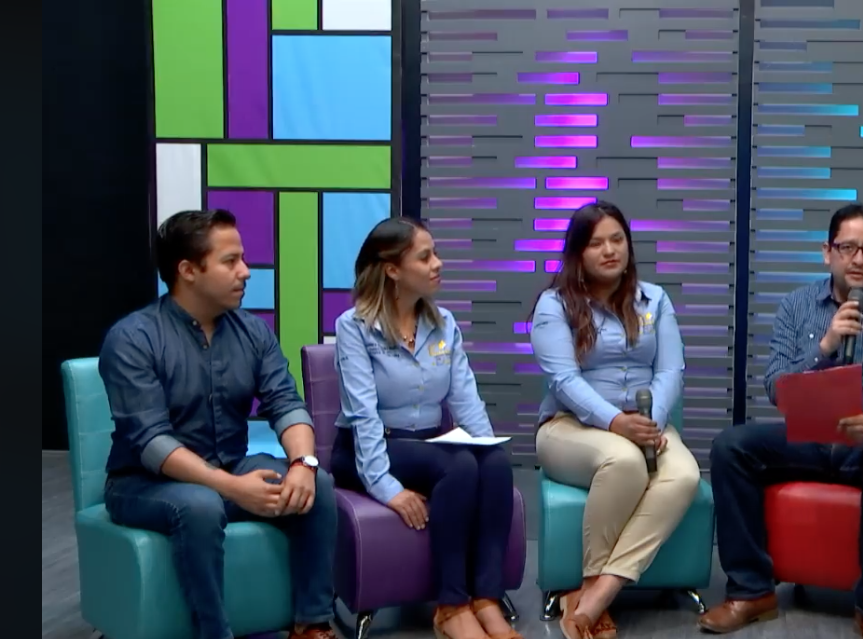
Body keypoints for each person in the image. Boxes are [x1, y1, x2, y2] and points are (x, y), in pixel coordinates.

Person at [702, 203, 863, 639]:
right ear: (827, 252)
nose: (858, 259)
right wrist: (826, 345)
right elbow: (776, 386)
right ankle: (751, 591)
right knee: (730, 447)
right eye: (848, 247)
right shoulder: (796, 306)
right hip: (809, 437)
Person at [98, 209, 338, 639]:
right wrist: (231, 488)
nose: (246, 271)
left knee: (317, 484)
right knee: (200, 505)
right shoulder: (132, 339)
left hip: (229, 466)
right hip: (143, 483)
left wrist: (303, 463)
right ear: (188, 270)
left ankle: (311, 623)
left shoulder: (253, 332)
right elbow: (152, 442)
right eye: (231, 261)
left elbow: (286, 403)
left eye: (242, 259)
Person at [331, 217, 519, 639]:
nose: (438, 263)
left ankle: (487, 598)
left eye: (435, 253)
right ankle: (451, 606)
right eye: (425, 256)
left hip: (428, 443)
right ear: (392, 270)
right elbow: (363, 415)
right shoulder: (354, 327)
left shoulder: (444, 323)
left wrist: (486, 447)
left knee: (494, 465)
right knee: (458, 467)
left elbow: (466, 399)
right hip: (368, 446)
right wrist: (386, 488)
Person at [529, 201, 701, 639]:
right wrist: (615, 423)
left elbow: (671, 371)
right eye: (596, 243)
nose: (609, 250)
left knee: (684, 475)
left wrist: (649, 422)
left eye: (617, 239)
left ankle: (597, 593)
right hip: (569, 427)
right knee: (624, 462)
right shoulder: (554, 305)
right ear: (578, 252)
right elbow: (564, 380)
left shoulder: (655, 299)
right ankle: (590, 581)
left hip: (645, 425)